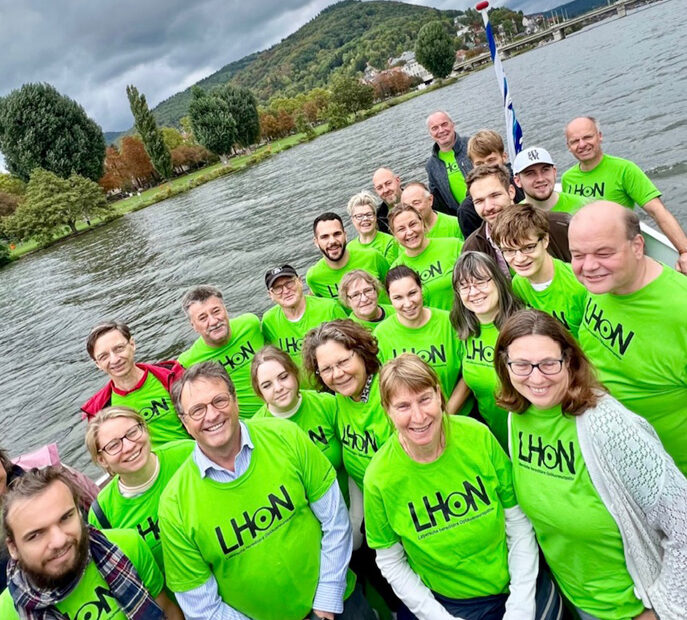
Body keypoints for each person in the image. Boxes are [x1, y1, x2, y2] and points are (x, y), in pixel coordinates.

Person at [494, 309, 687, 620]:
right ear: (505, 365)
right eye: (521, 365)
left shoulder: (610, 425)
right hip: (572, 597)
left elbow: (683, 522)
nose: (536, 377)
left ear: (569, 360)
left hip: (629, 609)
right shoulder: (520, 415)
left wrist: (664, 609)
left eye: (548, 363)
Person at [159, 361, 368, 620]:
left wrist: (327, 596)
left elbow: (334, 518)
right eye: (198, 410)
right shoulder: (174, 504)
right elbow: (201, 604)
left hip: (340, 603)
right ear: (184, 422)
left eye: (219, 401)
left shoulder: (286, 436)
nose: (211, 415)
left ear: (236, 400)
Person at [364, 354, 562, 620]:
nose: (419, 416)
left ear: (439, 394)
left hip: (520, 581)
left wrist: (521, 604)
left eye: (425, 399)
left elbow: (517, 520)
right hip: (453, 604)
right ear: (387, 409)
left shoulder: (477, 435)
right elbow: (390, 560)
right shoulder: (379, 477)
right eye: (403, 406)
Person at [569, 201, 687, 474]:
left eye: (603, 252)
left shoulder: (679, 311)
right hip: (615, 454)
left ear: (637, 246)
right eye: (578, 254)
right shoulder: (603, 285)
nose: (589, 266)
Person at [302, 320, 398, 614]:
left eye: (343, 361)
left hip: (401, 506)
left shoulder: (391, 390)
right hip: (368, 505)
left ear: (362, 353)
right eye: (326, 369)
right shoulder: (339, 401)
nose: (337, 374)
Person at [0, 466, 181, 619]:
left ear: (79, 512)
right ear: (13, 548)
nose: (59, 540)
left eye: (66, 518)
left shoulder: (127, 544)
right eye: (36, 535)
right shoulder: (7, 611)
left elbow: (166, 609)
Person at [562, 116, 687, 273]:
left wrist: (684, 251)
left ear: (599, 136)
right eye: (575, 141)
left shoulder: (625, 169)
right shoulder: (568, 178)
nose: (582, 144)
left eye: (588, 137)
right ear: (568, 146)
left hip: (623, 254)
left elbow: (657, 211)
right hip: (591, 260)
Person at [85, 406, 194, 585]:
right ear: (102, 459)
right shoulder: (102, 513)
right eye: (113, 445)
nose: (128, 446)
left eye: (132, 432)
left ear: (145, 428)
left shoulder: (187, 455)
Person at [251, 345, 348, 500]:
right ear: (259, 392)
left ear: (295, 373)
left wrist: (356, 515)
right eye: (267, 385)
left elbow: (353, 458)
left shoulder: (326, 404)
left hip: (347, 508)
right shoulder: (256, 430)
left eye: (283, 377)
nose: (278, 388)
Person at [450, 252, 523, 449]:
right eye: (464, 286)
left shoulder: (521, 327)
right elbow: (472, 374)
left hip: (530, 438)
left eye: (481, 282)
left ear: (498, 281)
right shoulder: (466, 330)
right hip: (496, 438)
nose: (473, 292)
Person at [374, 266, 466, 415]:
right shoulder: (382, 334)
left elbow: (467, 374)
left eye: (412, 293)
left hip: (458, 415)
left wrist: (446, 414)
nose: (408, 303)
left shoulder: (449, 322)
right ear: (389, 298)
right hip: (415, 424)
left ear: (421, 289)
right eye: (398, 298)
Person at [81, 321, 190, 447]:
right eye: (104, 356)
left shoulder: (172, 376)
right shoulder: (99, 410)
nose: (115, 360)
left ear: (132, 345)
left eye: (119, 349)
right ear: (97, 364)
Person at [490, 202, 586, 336]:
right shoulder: (518, 284)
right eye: (509, 251)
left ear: (545, 240)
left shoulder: (579, 284)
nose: (520, 259)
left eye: (528, 247)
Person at [463, 164, 571, 277]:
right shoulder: (473, 247)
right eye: (479, 201)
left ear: (511, 192)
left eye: (495, 195)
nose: (489, 207)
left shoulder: (558, 225)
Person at [177, 285, 265, 418]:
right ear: (193, 325)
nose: (213, 321)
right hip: (242, 425)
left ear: (226, 310)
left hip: (278, 404)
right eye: (203, 318)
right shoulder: (187, 362)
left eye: (216, 311)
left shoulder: (250, 325)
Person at [261, 264, 346, 376]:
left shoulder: (330, 308)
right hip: (300, 391)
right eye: (278, 288)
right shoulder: (269, 321)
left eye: (289, 283)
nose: (286, 291)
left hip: (335, 381)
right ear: (270, 295)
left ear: (300, 281)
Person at [389, 204, 462, 311]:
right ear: (394, 235)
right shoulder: (396, 270)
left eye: (413, 224)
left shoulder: (454, 246)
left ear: (422, 223)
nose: (409, 232)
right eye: (401, 229)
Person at [306, 212, 390, 303]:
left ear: (345, 235)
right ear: (316, 242)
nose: (332, 241)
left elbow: (394, 288)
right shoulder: (314, 277)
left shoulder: (373, 257)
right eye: (324, 237)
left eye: (337, 234)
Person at [459, 129, 526, 239]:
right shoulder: (467, 211)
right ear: (472, 165)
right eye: (479, 163)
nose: (487, 167)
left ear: (504, 157)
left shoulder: (521, 184)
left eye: (491, 160)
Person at [425, 110, 472, 216]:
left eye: (444, 124)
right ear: (430, 134)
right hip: (465, 217)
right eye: (435, 128)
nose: (441, 130)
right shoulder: (431, 166)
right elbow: (439, 202)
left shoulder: (472, 144)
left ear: (453, 125)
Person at [512, 146, 586, 214]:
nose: (540, 179)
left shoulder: (584, 207)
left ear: (554, 172)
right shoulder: (514, 219)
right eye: (530, 173)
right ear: (517, 181)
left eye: (545, 170)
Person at [346, 190, 399, 262]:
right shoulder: (349, 248)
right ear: (352, 219)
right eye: (359, 216)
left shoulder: (390, 242)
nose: (365, 219)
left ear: (375, 217)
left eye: (369, 214)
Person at [371, 167, 402, 233]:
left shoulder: (417, 200)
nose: (385, 190)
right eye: (379, 188)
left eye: (388, 183)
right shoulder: (377, 220)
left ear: (398, 181)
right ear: (375, 191)